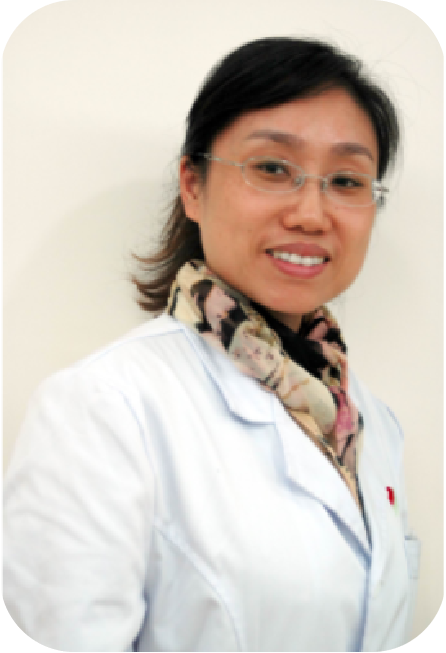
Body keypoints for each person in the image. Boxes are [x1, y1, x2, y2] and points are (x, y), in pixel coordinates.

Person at [3, 37, 420, 652]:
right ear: (193, 185)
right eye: (273, 168)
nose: (312, 213)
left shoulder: (369, 424)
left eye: (346, 180)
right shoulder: (105, 408)